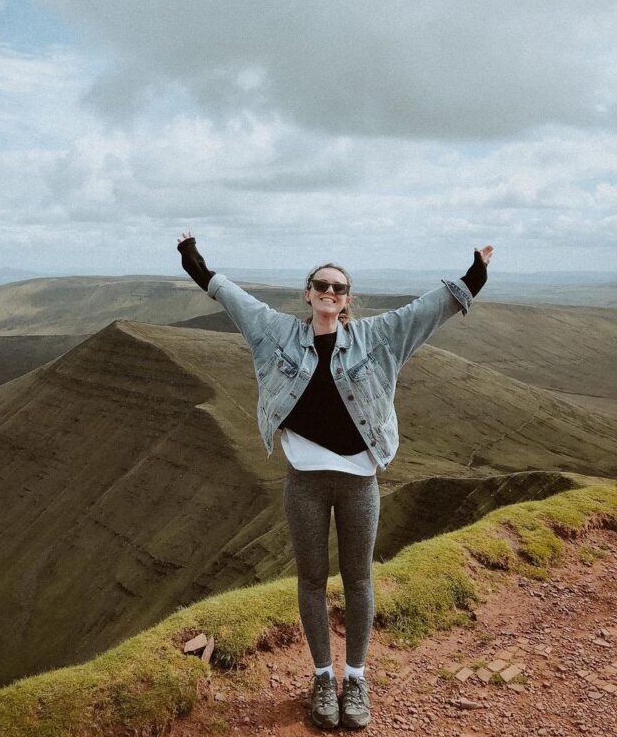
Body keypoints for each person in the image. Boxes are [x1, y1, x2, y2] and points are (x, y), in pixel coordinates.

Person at [176, 232, 493, 731]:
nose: (329, 292)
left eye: (339, 288)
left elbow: (425, 311)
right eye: (321, 285)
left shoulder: (376, 336)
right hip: (305, 481)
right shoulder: (277, 333)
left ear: (347, 300)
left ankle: (356, 677)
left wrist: (473, 277)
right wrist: (195, 262)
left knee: (359, 579)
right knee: (311, 580)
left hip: (358, 482)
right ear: (308, 294)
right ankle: (323, 677)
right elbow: (234, 299)